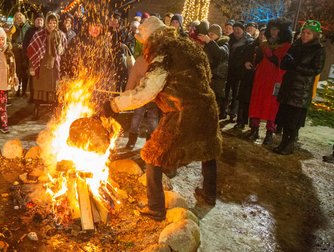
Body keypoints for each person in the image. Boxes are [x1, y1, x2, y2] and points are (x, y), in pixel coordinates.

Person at [103, 17, 222, 220]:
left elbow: (145, 92)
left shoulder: (164, 57)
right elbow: (204, 74)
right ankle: (209, 194)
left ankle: (156, 207)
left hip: (182, 112)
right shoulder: (188, 46)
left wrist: (114, 105)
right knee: (207, 150)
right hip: (207, 107)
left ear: (153, 39)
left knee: (153, 156)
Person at [274, 20, 325, 155]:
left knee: (293, 121)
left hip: (301, 91)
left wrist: (296, 66)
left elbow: (316, 69)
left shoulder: (318, 49)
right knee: (284, 119)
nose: (305, 35)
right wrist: (287, 62)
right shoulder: (296, 46)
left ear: (315, 35)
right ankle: (283, 143)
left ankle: (289, 145)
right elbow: (284, 64)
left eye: (308, 33)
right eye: (303, 32)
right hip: (288, 87)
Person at [247, 19, 292, 144]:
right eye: (272, 29)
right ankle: (254, 129)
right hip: (261, 77)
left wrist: (266, 49)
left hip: (275, 79)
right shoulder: (263, 44)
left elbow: (279, 61)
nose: (273, 31)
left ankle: (269, 133)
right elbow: (257, 60)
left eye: (277, 29)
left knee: (272, 105)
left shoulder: (286, 46)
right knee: (257, 101)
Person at [27, 12, 67, 112]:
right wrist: (32, 66)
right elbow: (31, 50)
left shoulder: (61, 34)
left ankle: (54, 106)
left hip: (54, 65)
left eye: (54, 23)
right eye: (50, 23)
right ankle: (37, 106)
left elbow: (63, 51)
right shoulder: (39, 34)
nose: (52, 25)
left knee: (54, 86)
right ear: (46, 23)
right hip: (41, 64)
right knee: (40, 85)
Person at [224, 21, 254, 124]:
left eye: (238, 29)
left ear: (243, 30)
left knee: (236, 93)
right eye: (235, 28)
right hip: (229, 69)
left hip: (240, 71)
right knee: (227, 90)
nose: (236, 31)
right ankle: (224, 110)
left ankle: (233, 113)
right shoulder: (229, 40)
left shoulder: (248, 41)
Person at [198, 24, 229, 118]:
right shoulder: (208, 45)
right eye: (209, 34)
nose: (210, 36)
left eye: (213, 34)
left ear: (218, 35)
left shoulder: (225, 44)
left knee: (217, 99)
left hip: (218, 77)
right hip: (209, 76)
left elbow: (219, 53)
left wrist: (209, 41)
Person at [23, 13, 45, 102]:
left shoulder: (45, 31)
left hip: (43, 59)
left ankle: (41, 96)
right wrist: (25, 57)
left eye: (41, 20)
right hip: (32, 58)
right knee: (33, 78)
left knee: (42, 78)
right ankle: (32, 96)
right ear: (34, 21)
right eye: (37, 20)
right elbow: (25, 45)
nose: (39, 21)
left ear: (43, 22)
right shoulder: (29, 31)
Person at [11, 12, 30, 97]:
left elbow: (30, 39)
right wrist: (16, 45)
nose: (19, 18)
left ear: (24, 17)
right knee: (17, 71)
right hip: (16, 51)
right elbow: (10, 40)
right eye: (17, 17)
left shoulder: (28, 27)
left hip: (25, 51)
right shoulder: (13, 28)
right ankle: (17, 89)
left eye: (21, 16)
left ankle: (24, 91)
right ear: (15, 19)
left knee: (25, 71)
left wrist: (25, 45)